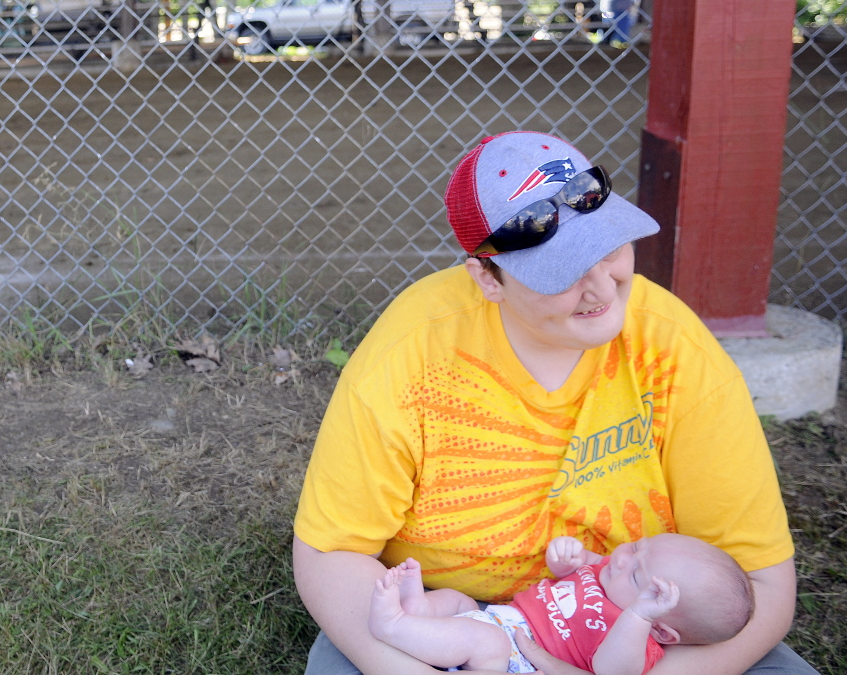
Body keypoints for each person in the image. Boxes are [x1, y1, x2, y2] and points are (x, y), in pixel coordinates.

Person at [293, 131, 817, 675]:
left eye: (609, 247)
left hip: (644, 629)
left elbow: (761, 582)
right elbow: (331, 552)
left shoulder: (673, 349)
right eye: (562, 270)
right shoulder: (413, 352)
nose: (601, 288)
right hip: (452, 622)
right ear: (487, 277)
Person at [368, 534, 755, 674]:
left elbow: (610, 670)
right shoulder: (609, 572)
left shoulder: (640, 640)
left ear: (661, 627)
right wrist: (567, 557)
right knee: (456, 601)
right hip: (502, 616)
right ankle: (419, 613)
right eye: (638, 546)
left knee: (485, 642)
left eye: (637, 575)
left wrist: (637, 616)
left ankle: (393, 626)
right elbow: (567, 569)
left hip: (513, 658)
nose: (621, 558)